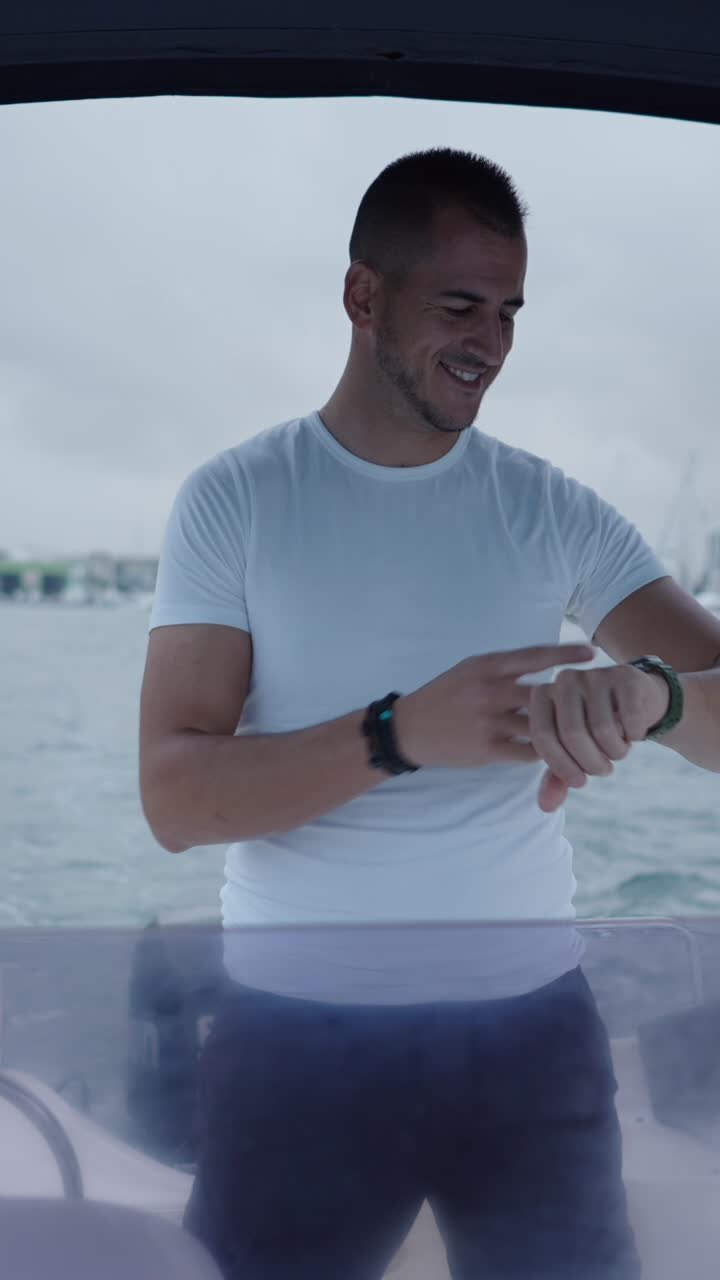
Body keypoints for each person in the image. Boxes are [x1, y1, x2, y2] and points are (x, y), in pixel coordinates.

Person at [139, 149, 720, 1279]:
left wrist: (649, 698)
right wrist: (398, 733)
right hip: (295, 1038)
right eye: (460, 304)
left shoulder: (553, 509)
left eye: (509, 310)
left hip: (530, 1037)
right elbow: (174, 794)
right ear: (365, 296)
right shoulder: (237, 499)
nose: (492, 341)